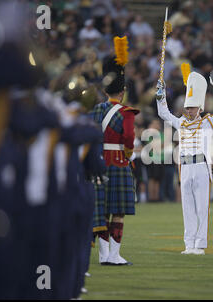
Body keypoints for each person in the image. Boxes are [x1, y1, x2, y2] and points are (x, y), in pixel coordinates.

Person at [156, 66, 213, 255]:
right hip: (185, 167)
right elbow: (164, 114)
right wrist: (160, 96)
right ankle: (189, 244)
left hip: (201, 167)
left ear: (200, 108)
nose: (188, 110)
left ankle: (200, 245)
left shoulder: (207, 122)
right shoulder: (180, 123)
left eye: (192, 107)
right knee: (187, 207)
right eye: (187, 107)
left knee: (202, 207)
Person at [90, 36, 139, 266]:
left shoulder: (96, 110)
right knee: (118, 211)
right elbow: (129, 138)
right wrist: (128, 154)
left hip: (99, 162)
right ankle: (114, 255)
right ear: (123, 91)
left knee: (102, 210)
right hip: (118, 162)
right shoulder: (126, 112)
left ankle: (103, 254)